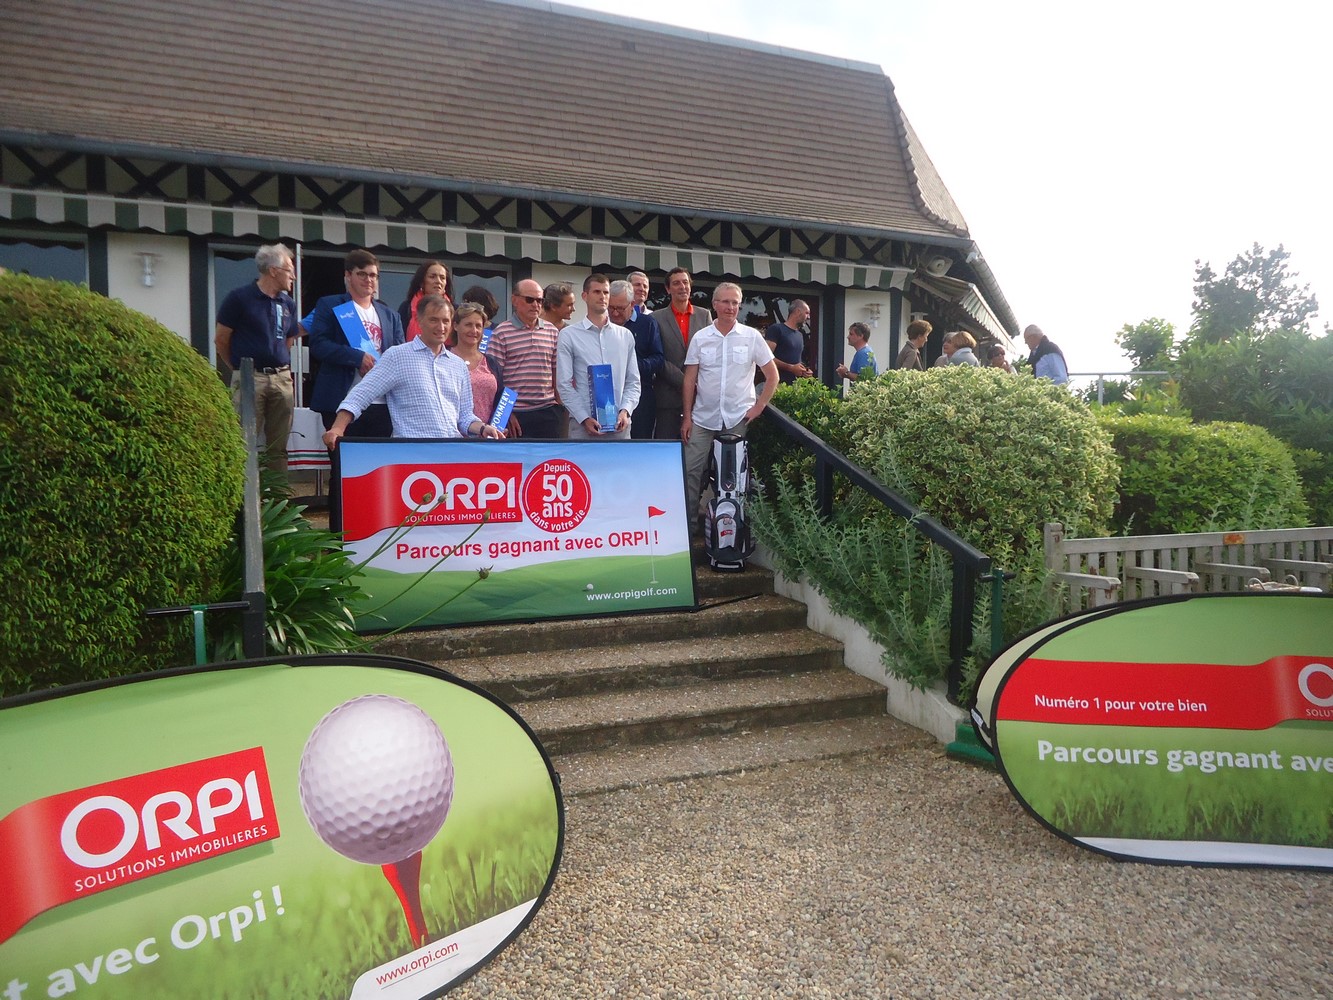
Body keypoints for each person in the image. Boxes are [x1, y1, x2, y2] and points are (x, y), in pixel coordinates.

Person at [321, 295, 502, 447]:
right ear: (419, 321)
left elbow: (464, 416)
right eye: (434, 320)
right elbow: (361, 394)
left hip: (451, 453)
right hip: (411, 454)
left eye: (445, 321)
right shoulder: (397, 356)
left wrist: (483, 428)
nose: (441, 327)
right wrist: (338, 428)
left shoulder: (458, 365)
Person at [681, 282, 779, 526]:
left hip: (737, 419)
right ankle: (688, 527)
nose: (730, 307)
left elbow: (773, 376)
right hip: (702, 418)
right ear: (715, 304)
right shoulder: (701, 338)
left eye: (735, 302)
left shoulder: (752, 337)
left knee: (731, 478)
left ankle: (728, 528)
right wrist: (687, 417)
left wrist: (759, 407)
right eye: (725, 301)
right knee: (690, 471)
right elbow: (690, 379)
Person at [214, 243, 298, 489]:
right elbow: (221, 339)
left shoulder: (288, 303)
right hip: (250, 378)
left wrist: (279, 363)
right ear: (273, 270)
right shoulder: (239, 298)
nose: (293, 276)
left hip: (282, 379)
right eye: (289, 270)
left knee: (278, 445)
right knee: (244, 442)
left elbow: (289, 339)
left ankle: (278, 502)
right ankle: (242, 498)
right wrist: (239, 369)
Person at [308, 248, 405, 437]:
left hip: (382, 403)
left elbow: (401, 355)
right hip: (341, 400)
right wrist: (356, 357)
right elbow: (318, 344)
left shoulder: (390, 315)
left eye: (373, 275)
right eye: (362, 274)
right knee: (342, 456)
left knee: (380, 457)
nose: (368, 279)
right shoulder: (331, 305)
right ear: (348, 275)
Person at [556, 274, 641, 440]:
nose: (602, 296)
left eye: (606, 292)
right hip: (583, 426)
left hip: (619, 426)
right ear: (585, 296)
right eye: (597, 292)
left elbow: (633, 381)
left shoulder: (625, 336)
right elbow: (564, 384)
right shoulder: (568, 335)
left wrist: (625, 411)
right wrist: (584, 418)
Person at [488, 278, 564, 438]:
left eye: (540, 300)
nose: (535, 305)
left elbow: (556, 372)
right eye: (530, 300)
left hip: (548, 411)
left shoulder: (552, 331)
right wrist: (506, 414)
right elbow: (494, 379)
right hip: (516, 414)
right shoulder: (501, 333)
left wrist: (560, 408)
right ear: (514, 300)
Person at [651, 266, 712, 440]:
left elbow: (710, 352)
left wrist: (696, 383)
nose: (682, 287)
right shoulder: (655, 318)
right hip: (668, 397)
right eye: (676, 283)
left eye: (685, 282)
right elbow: (657, 357)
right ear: (668, 289)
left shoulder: (704, 315)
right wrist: (685, 382)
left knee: (695, 449)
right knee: (666, 448)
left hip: (700, 397)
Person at [611, 279, 664, 439]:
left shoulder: (647, 323)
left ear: (632, 304)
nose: (615, 313)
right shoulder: (602, 325)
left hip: (641, 395)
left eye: (620, 308)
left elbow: (659, 359)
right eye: (611, 308)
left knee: (640, 443)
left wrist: (632, 367)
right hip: (608, 394)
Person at [451, 301, 508, 426]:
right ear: (455, 326)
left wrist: (499, 426)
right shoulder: (444, 358)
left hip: (487, 433)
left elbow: (500, 400)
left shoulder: (491, 363)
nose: (474, 330)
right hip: (452, 433)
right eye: (468, 325)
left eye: (478, 326)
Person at [398, 260, 451, 341]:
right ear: (422, 282)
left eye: (442, 278)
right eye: (432, 277)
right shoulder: (406, 307)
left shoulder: (454, 309)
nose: (438, 281)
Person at [764, 299, 813, 383]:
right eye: (807, 313)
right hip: (777, 385)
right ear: (798, 311)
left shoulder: (800, 335)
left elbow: (796, 361)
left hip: (795, 386)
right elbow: (766, 357)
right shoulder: (776, 329)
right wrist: (791, 368)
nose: (808, 317)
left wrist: (804, 370)